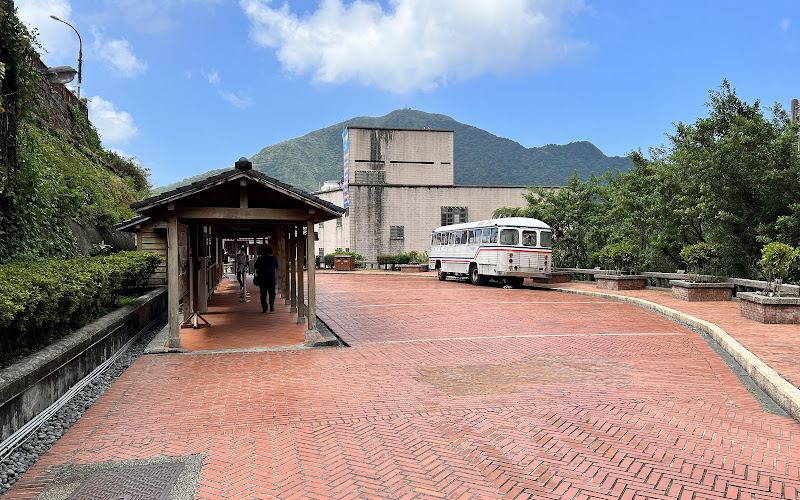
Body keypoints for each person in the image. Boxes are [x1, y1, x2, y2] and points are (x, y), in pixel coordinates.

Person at [254, 245, 279, 313]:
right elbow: (277, 266)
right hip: (271, 278)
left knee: (263, 294)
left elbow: (255, 267)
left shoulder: (260, 259)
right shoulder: (273, 258)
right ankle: (271, 304)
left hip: (262, 279)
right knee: (272, 293)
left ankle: (264, 307)